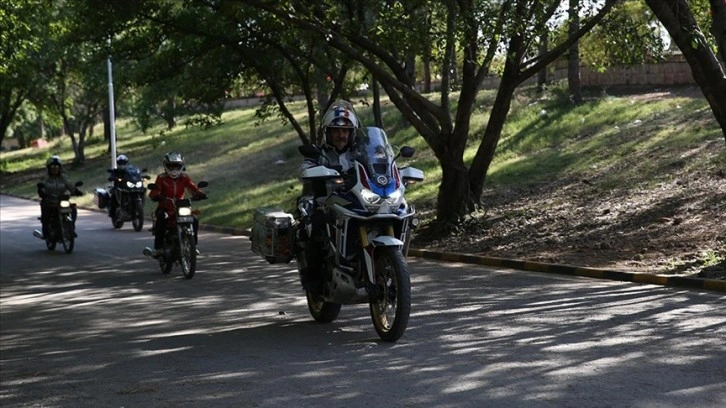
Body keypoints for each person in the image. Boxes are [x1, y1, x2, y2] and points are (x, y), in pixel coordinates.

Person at [297, 100, 361, 290]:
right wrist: (315, 171)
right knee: (316, 227)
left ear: (351, 133)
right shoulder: (319, 154)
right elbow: (304, 169)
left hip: (358, 201)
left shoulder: (360, 153)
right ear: (328, 133)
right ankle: (313, 279)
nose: (341, 135)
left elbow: (378, 166)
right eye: (336, 130)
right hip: (327, 202)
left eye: (345, 131)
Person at [145, 152, 206, 257]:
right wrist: (157, 196)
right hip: (165, 207)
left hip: (181, 207)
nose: (174, 169)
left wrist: (199, 194)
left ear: (181, 166)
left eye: (176, 166)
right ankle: (158, 248)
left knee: (194, 220)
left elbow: (192, 187)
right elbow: (154, 191)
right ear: (165, 166)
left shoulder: (184, 177)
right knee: (162, 219)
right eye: (171, 166)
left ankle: (192, 246)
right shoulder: (161, 178)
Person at [37, 156, 83, 238]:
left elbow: (70, 185)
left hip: (62, 199)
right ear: (48, 168)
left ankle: (71, 229)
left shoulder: (64, 177)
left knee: (73, 209)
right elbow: (42, 186)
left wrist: (76, 191)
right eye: (52, 167)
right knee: (46, 214)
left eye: (57, 166)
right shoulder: (45, 177)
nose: (55, 169)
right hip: (49, 200)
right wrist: (42, 192)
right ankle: (46, 232)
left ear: (60, 168)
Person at [107, 154, 130, 218]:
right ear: (118, 163)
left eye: (123, 162)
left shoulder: (129, 170)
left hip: (128, 187)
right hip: (118, 187)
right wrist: (113, 178)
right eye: (120, 162)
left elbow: (135, 175)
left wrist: (140, 176)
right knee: (113, 195)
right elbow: (111, 176)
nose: (122, 164)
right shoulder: (116, 171)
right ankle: (112, 212)